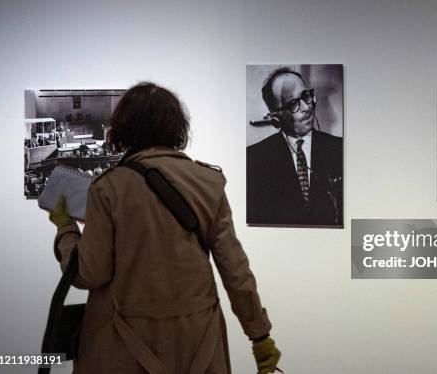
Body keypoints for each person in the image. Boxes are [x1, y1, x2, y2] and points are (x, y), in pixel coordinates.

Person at [48, 82, 281, 374]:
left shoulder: (108, 188)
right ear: (176, 127)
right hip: (199, 343)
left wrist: (65, 228)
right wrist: (259, 336)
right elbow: (235, 270)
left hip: (125, 346)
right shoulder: (208, 183)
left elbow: (89, 272)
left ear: (124, 127)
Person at [247, 67, 343, 226]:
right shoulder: (253, 160)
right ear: (275, 118)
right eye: (293, 104)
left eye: (305, 96)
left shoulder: (340, 150)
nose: (307, 107)